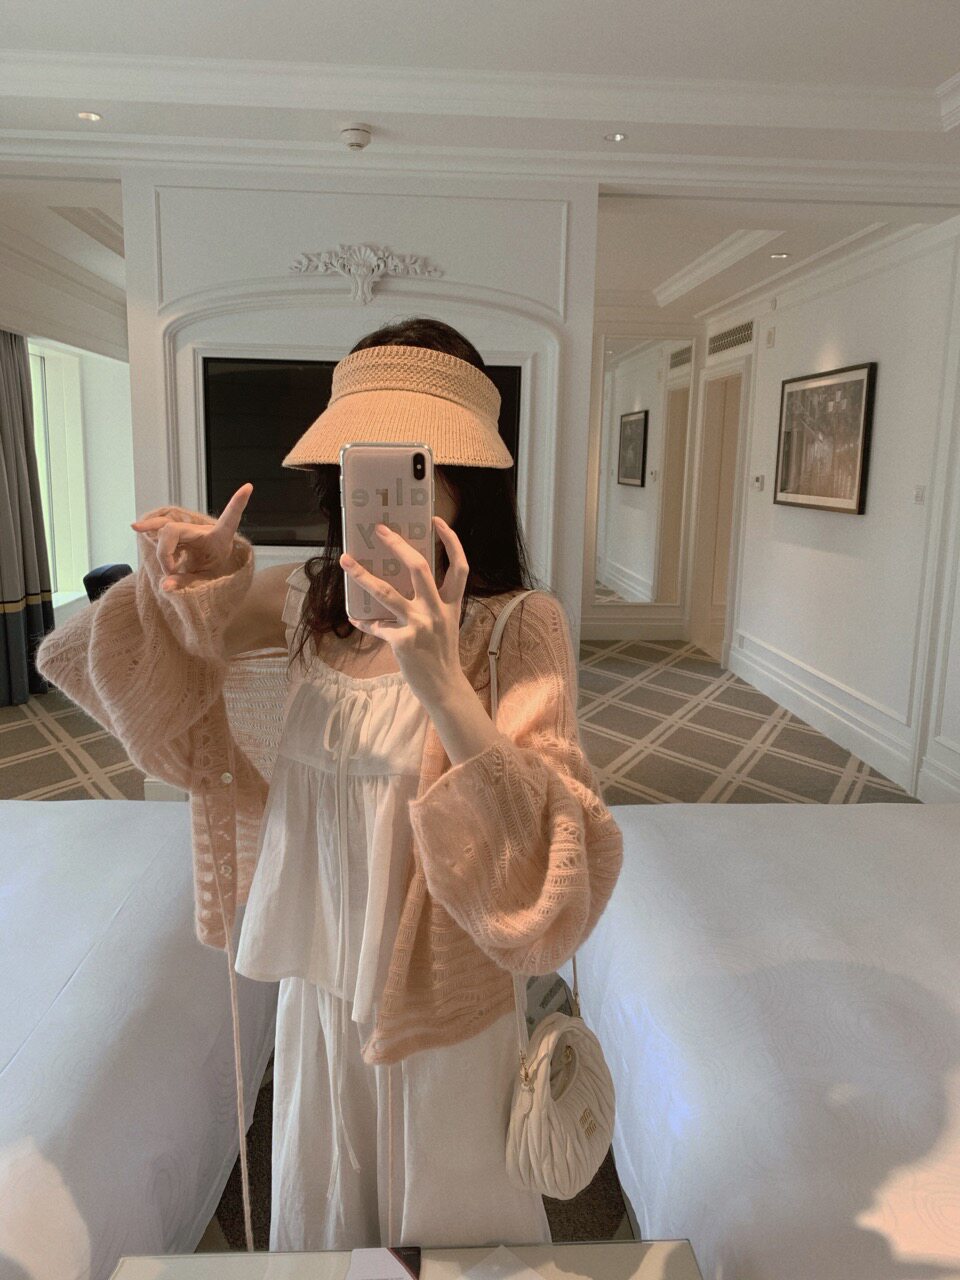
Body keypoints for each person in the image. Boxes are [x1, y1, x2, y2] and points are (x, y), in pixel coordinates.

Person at [36, 316, 624, 1253]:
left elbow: (556, 873)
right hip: (319, 989)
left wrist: (443, 687)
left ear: (466, 483)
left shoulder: (519, 625)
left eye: (418, 471)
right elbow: (111, 671)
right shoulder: (307, 602)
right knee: (325, 1222)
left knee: (454, 1239)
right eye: (362, 471)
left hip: (447, 1008)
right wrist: (186, 586)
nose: (384, 502)